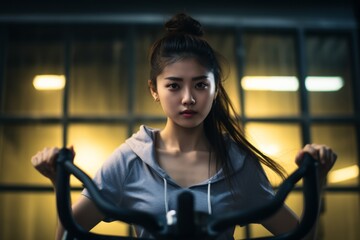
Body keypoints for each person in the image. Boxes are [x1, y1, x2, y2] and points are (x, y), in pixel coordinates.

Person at [31, 13, 337, 240]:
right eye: (174, 86)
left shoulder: (237, 165)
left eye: (201, 85)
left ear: (216, 89)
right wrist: (58, 182)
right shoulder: (129, 161)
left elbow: (300, 237)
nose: (188, 98)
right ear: (154, 89)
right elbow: (66, 237)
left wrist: (317, 178)